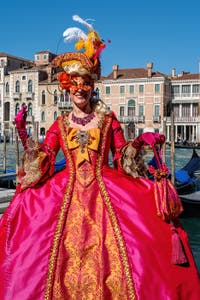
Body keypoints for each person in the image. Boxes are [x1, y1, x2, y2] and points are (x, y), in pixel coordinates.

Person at [0, 15, 200, 300]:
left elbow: (122, 156)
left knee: (131, 246)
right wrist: (23, 134)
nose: (80, 89)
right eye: (75, 84)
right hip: (65, 191)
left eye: (85, 83)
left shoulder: (109, 120)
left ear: (92, 86)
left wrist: (141, 141)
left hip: (106, 189)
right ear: (68, 88)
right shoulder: (60, 124)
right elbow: (44, 155)